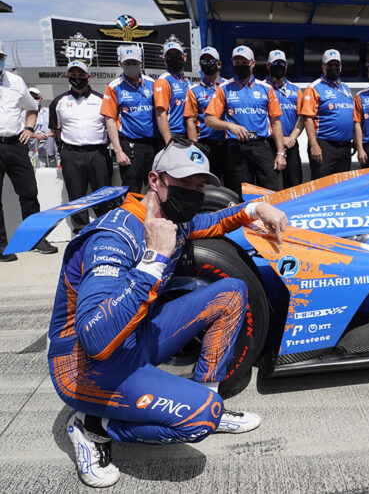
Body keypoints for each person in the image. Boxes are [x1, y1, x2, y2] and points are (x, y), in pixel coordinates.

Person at [50, 140, 288, 488]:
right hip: (84, 365)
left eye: (199, 185)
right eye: (183, 183)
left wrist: (255, 210)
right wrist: (154, 260)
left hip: (133, 338)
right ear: (156, 181)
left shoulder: (172, 219)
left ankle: (210, 395)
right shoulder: (113, 235)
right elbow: (95, 338)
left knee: (231, 293)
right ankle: (91, 426)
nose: (193, 192)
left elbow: (214, 219)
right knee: (199, 420)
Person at [0, 41, 58, 261]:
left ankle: (35, 239)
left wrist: (29, 128)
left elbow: (32, 109)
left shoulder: (15, 81)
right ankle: (1, 245)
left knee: (29, 193)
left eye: (1, 56)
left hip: (16, 144)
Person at [205, 45, 286, 196]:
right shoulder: (224, 88)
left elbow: (276, 122)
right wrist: (229, 126)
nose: (241, 65)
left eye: (244, 62)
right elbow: (209, 120)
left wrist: (281, 152)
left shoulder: (266, 88)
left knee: (270, 191)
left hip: (262, 146)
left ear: (253, 63)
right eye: (237, 62)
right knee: (240, 193)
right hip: (236, 147)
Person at [50, 60, 115, 231]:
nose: (77, 78)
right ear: (67, 76)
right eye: (73, 75)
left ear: (89, 77)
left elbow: (110, 126)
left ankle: (105, 229)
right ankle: (80, 232)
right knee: (76, 195)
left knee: (103, 195)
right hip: (71, 154)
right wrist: (63, 150)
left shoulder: (101, 100)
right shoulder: (59, 101)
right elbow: (55, 129)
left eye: (80, 75)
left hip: (98, 153)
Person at [101, 45, 158, 195]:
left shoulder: (152, 83)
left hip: (152, 145)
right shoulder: (114, 87)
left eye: (134, 62)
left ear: (141, 63)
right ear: (120, 64)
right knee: (132, 190)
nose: (131, 66)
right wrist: (118, 151)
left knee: (156, 189)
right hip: (130, 146)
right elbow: (110, 120)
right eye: (127, 63)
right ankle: (133, 218)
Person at [299, 49, 355, 180]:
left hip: (345, 147)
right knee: (322, 187)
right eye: (330, 65)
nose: (333, 68)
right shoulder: (313, 88)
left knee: (342, 186)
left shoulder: (346, 89)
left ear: (341, 67)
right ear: (323, 67)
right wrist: (314, 145)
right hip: (324, 146)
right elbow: (307, 119)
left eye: (336, 65)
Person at [184, 47, 228, 183]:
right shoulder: (193, 90)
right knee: (208, 184)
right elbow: (190, 120)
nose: (208, 64)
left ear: (219, 64)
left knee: (231, 183)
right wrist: (195, 146)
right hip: (206, 145)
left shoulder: (229, 86)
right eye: (204, 61)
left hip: (229, 144)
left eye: (211, 61)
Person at [265, 49, 305, 188]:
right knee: (270, 184)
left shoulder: (295, 90)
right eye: (275, 64)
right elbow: (261, 119)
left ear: (286, 66)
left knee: (294, 184)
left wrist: (292, 138)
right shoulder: (262, 88)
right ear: (268, 66)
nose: (278, 66)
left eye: (281, 64)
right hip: (269, 143)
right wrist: (280, 139)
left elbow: (302, 117)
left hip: (291, 143)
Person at [154, 41, 190, 144]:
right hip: (173, 136)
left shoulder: (187, 82)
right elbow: (161, 114)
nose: (174, 58)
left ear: (184, 57)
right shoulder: (163, 81)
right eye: (170, 56)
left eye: (177, 55)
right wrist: (169, 141)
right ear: (164, 60)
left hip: (187, 135)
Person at [26, 87, 56, 166]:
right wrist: (36, 136)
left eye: (36, 98)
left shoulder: (49, 111)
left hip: (50, 153)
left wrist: (51, 133)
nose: (33, 99)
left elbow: (56, 127)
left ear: (41, 99)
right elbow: (21, 132)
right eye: (30, 97)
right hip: (33, 154)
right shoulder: (23, 114)